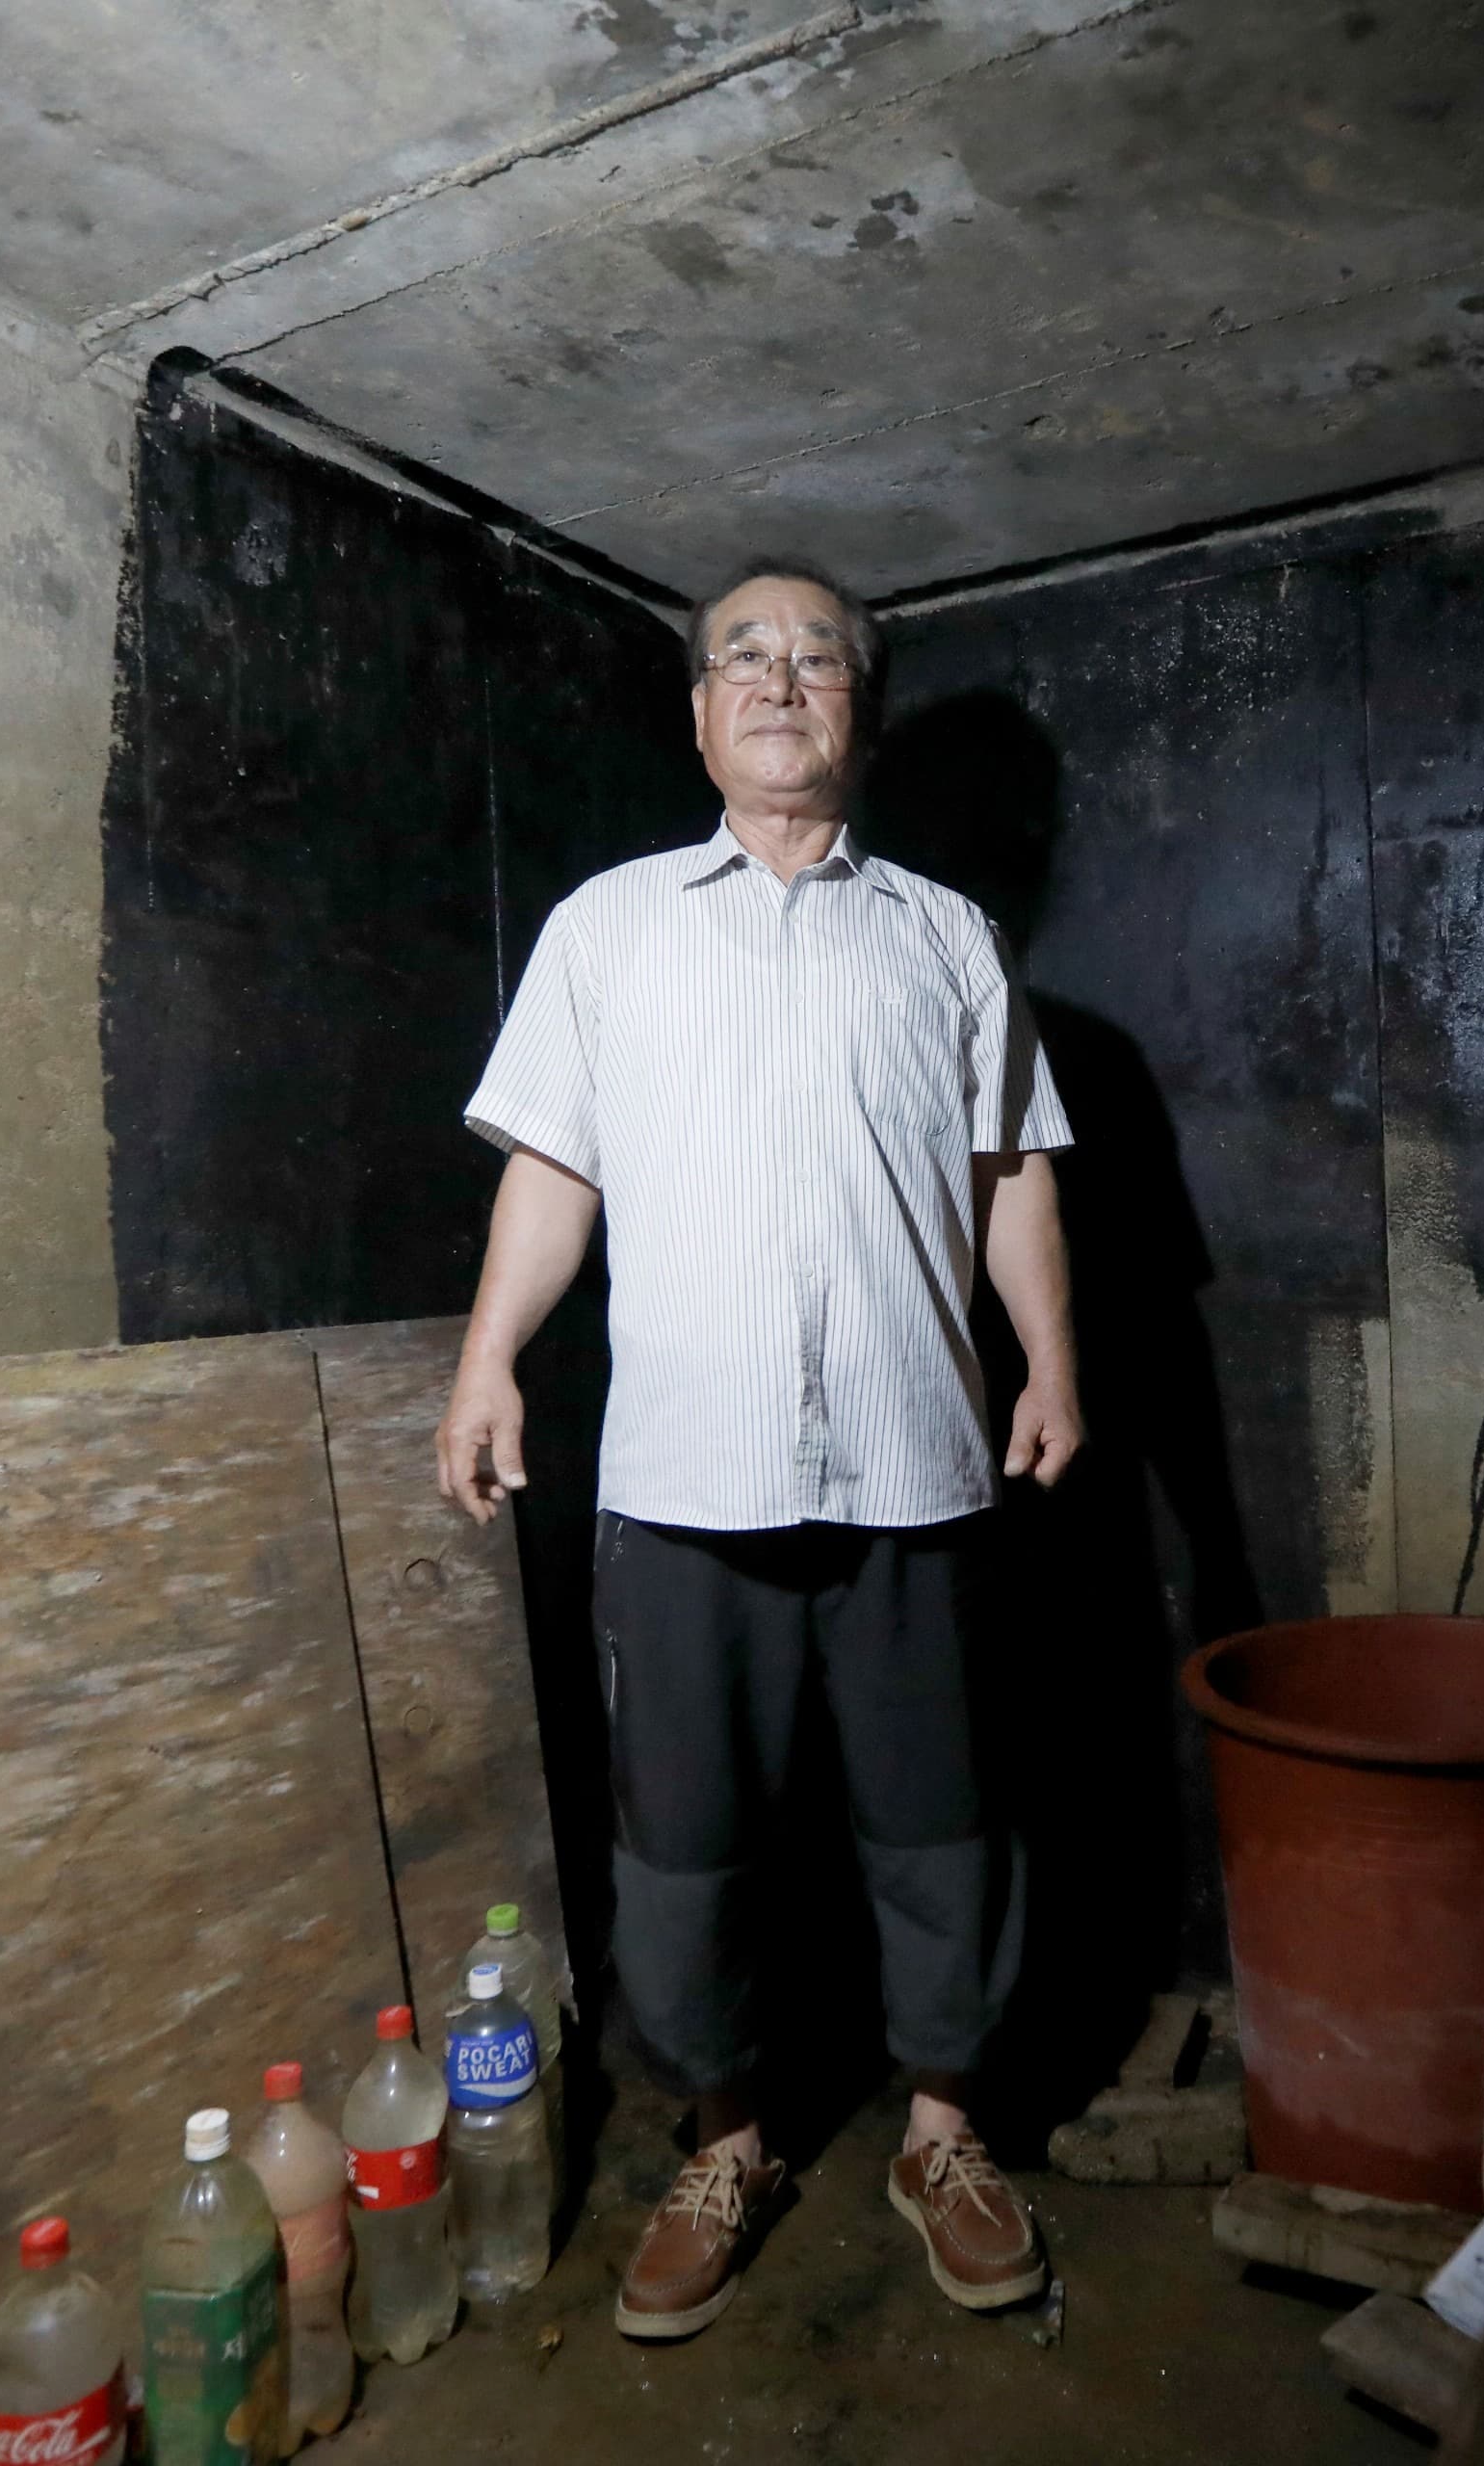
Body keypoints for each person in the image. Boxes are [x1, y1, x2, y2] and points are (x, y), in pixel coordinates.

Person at [433, 556, 1081, 2341]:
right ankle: (726, 2140)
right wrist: (491, 1360)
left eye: (817, 658)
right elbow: (553, 1167)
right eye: (745, 658)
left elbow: (1007, 1165)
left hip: (916, 1465)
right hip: (681, 1482)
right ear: (702, 711)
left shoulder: (943, 933)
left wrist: (1052, 1361)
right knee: (688, 1847)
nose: (782, 681)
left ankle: (942, 2134)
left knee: (944, 1833)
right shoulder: (609, 926)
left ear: (854, 709)